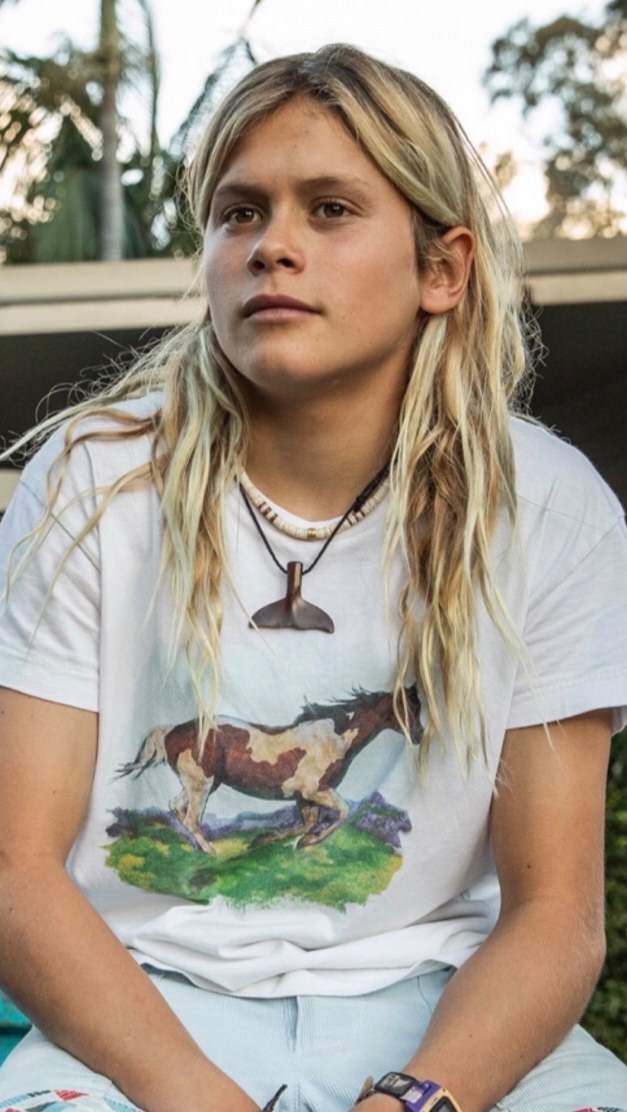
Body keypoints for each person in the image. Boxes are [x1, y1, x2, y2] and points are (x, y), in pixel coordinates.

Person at [0, 42, 625, 1112]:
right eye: (238, 213)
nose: (272, 246)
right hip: (140, 1013)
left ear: (442, 270)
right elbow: (16, 871)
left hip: (446, 1013)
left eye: (330, 209)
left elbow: (556, 914)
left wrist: (412, 1101)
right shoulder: (92, 483)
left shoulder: (551, 509)